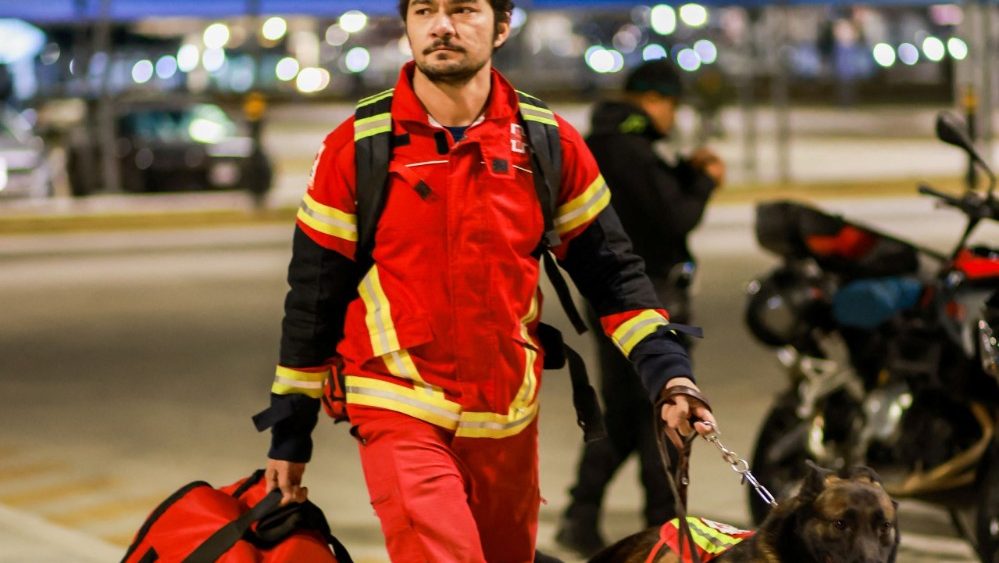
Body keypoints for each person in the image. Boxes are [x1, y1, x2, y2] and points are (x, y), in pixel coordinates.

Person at [262, 2, 717, 561]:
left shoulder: (548, 144)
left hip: (507, 417)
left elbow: (615, 276)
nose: (442, 25)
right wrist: (291, 431)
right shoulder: (357, 146)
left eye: (463, 9)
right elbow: (314, 297)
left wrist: (670, 377)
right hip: (398, 402)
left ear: (502, 25)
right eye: (424, 9)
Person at [555, 59, 725, 557]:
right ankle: (662, 528)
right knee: (663, 414)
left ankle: (580, 516)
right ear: (652, 101)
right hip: (640, 299)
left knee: (629, 419)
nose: (673, 116)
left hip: (619, 297)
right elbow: (673, 218)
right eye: (671, 104)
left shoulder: (612, 144)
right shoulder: (629, 150)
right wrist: (704, 182)